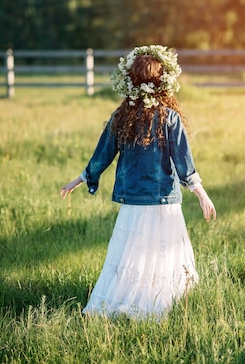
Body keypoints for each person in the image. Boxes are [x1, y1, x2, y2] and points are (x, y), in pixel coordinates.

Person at [60, 45, 216, 319]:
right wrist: (201, 193)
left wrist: (83, 178)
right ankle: (155, 299)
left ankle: (129, 296)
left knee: (131, 253)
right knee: (160, 251)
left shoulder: (121, 118)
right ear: (162, 82)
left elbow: (102, 155)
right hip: (162, 201)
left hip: (133, 201)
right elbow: (184, 164)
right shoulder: (170, 118)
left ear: (131, 81)